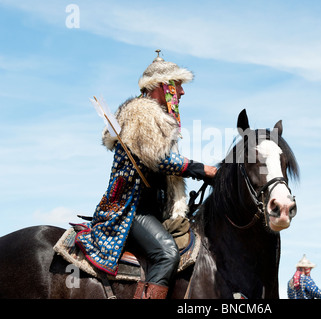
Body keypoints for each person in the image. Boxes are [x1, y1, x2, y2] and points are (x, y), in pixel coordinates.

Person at [75, 50, 217, 299]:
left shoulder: (158, 117)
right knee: (167, 253)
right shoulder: (141, 114)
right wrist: (202, 170)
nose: (182, 92)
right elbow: (161, 160)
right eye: (178, 85)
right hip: (132, 209)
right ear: (162, 87)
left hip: (154, 210)